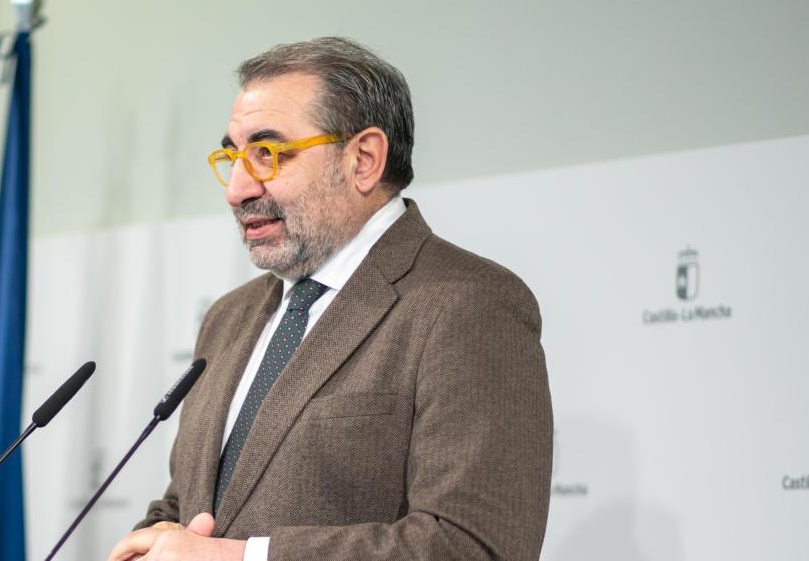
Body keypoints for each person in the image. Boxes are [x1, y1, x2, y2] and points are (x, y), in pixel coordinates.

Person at [106, 37, 552, 561]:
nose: (237, 188)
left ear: (363, 159)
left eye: (267, 154)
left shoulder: (466, 305)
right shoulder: (228, 317)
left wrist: (242, 558)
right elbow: (191, 505)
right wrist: (152, 543)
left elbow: (473, 547)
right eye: (232, 156)